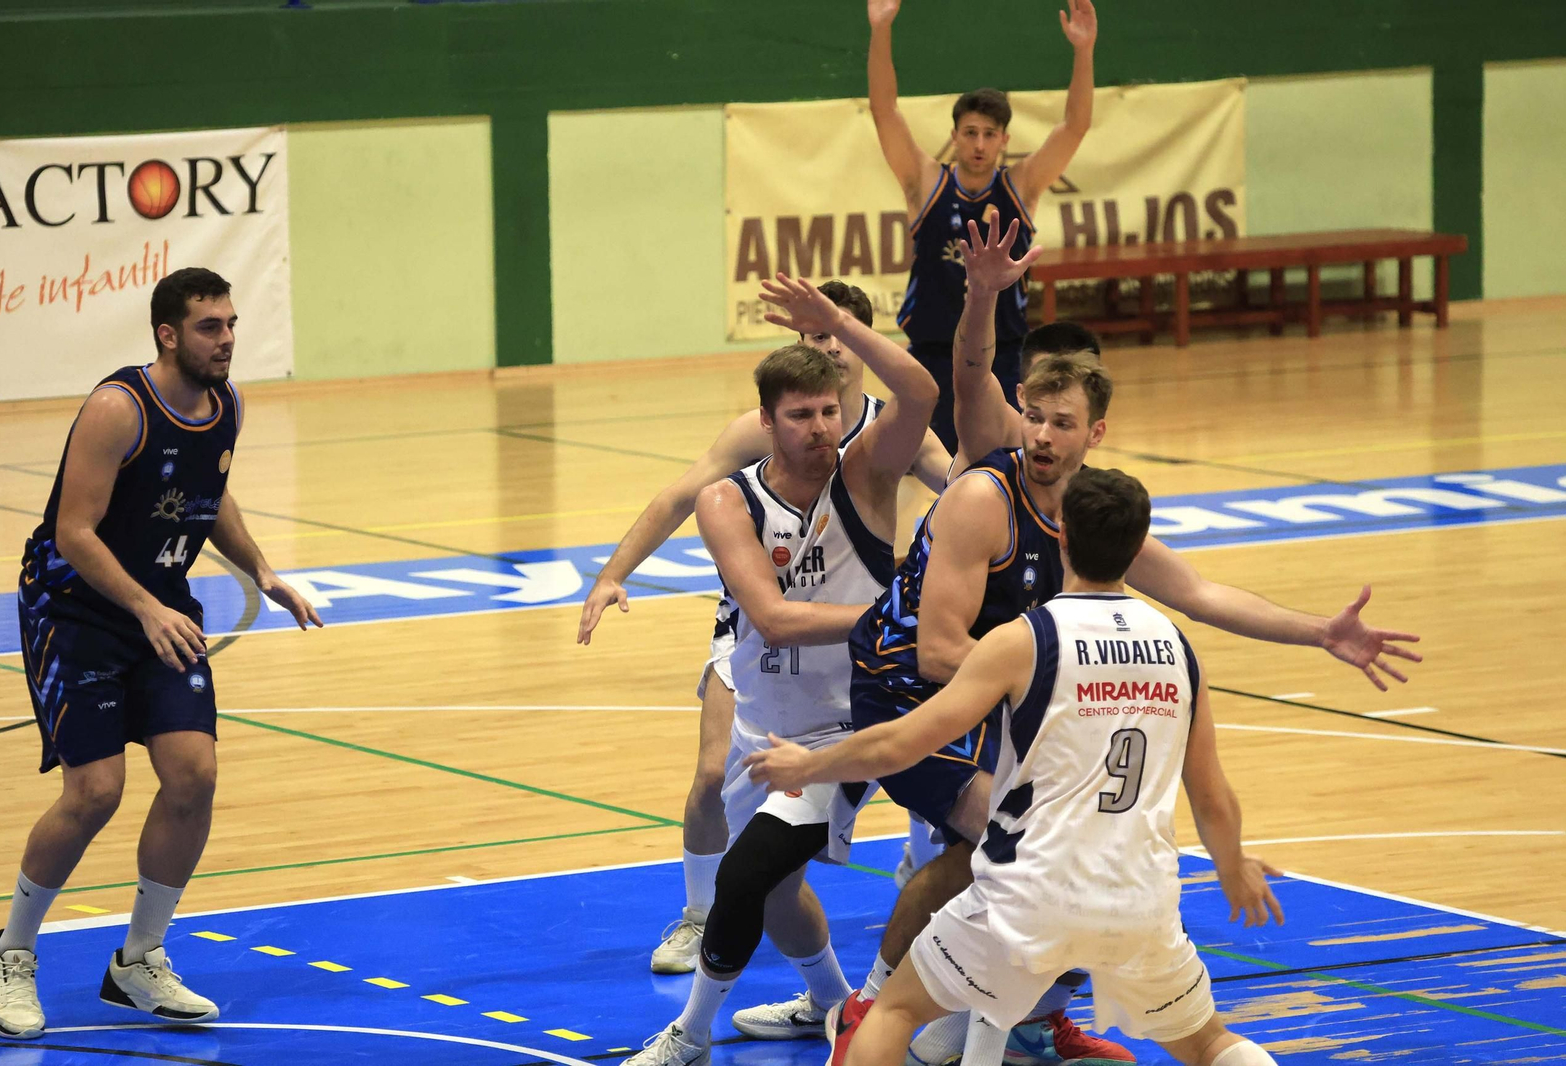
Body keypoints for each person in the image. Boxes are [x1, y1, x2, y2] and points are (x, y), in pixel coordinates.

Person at [837, 216, 1422, 1064]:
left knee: (1074, 846)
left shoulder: (1088, 511)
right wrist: (983, 296)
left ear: (1093, 434)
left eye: (1060, 423)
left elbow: (1199, 591)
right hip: (906, 683)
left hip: (1003, 677)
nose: (1040, 435)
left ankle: (1027, 1014)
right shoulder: (984, 490)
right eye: (1033, 416)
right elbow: (937, 650)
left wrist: (1320, 633)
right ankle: (872, 1000)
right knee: (999, 835)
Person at [745, 466, 1285, 1066]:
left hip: (1029, 895)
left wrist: (807, 764)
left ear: (1060, 537)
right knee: (1210, 1042)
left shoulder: (1025, 638)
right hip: (1142, 899)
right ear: (1138, 547)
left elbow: (901, 742)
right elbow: (1213, 798)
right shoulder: (1178, 650)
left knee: (893, 1011)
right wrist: (1232, 866)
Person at [0, 268, 321, 1041]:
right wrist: (144, 606)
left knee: (193, 775)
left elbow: (211, 493)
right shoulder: (116, 409)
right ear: (168, 334)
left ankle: (138, 960)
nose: (227, 338)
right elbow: (73, 531)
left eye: (231, 323)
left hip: (160, 608)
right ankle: (13, 951)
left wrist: (262, 569)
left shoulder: (226, 401)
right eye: (210, 326)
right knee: (95, 790)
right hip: (77, 610)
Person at [577, 282, 951, 974]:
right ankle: (701, 917)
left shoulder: (878, 440)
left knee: (934, 787)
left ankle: (926, 894)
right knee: (714, 776)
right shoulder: (762, 433)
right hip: (763, 624)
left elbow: (964, 482)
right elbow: (680, 497)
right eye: (811, 338)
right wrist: (612, 572)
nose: (826, 350)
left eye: (835, 335)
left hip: (853, 651)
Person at [867, 0, 1097, 451]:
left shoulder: (1021, 187)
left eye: (989, 134)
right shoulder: (925, 184)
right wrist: (880, 30)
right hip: (932, 355)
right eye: (970, 132)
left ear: (1004, 140)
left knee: (1002, 464)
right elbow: (884, 111)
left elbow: (1075, 126)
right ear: (954, 135)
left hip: (1002, 357)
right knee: (920, 472)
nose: (979, 143)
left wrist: (1084, 52)